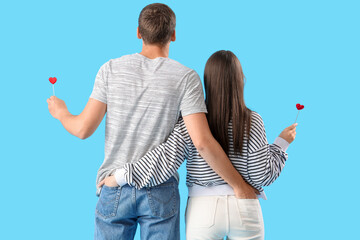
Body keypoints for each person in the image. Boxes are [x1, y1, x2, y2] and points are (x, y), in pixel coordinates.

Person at [47, 4, 257, 240]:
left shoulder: (110, 70)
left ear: (138, 33)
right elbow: (201, 142)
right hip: (160, 190)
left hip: (114, 185)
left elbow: (83, 129)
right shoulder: (186, 78)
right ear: (174, 35)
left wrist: (61, 112)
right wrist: (239, 185)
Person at [108, 50, 297, 239]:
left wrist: (121, 176)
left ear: (207, 83)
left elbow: (165, 160)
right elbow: (262, 175)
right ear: (241, 79)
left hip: (203, 210)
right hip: (245, 207)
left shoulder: (193, 122)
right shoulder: (253, 121)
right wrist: (281, 144)